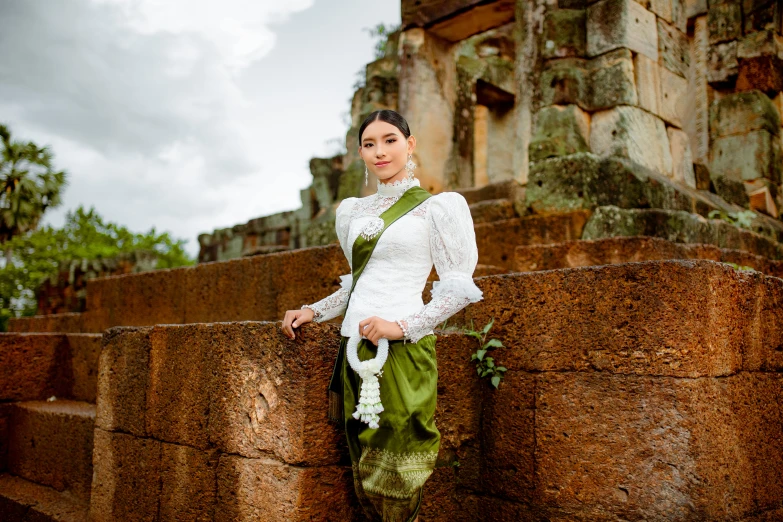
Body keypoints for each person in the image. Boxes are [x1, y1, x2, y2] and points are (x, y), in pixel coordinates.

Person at [281, 109, 482, 522]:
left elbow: (459, 286)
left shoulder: (438, 208)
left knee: (399, 460)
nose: (380, 151)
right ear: (361, 153)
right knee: (363, 457)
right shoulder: (352, 211)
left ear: (409, 145)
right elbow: (357, 282)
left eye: (390, 140)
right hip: (353, 349)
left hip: (401, 352)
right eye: (369, 144)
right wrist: (312, 311)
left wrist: (402, 327)